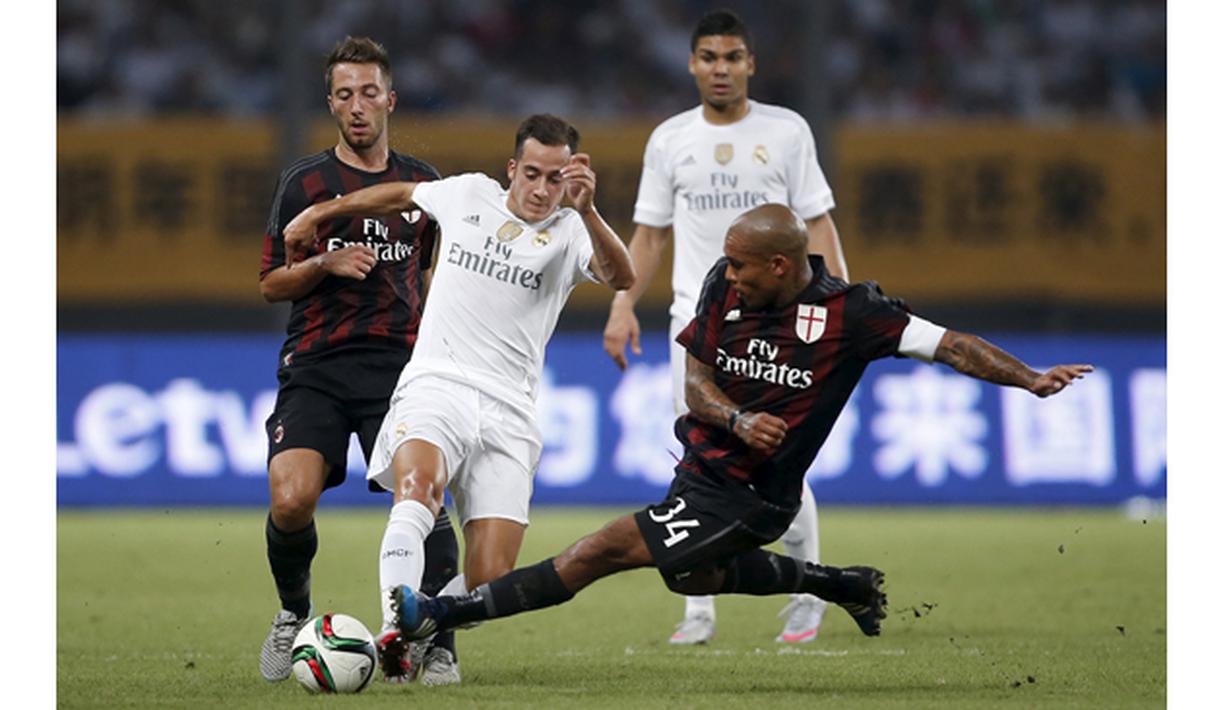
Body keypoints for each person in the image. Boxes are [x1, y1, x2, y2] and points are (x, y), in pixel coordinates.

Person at [389, 203, 1093, 650]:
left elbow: (952, 345)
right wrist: (734, 414)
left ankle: (440, 619)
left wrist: (1029, 378)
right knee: (691, 578)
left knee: (598, 550)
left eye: (740, 263)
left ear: (781, 265)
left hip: (753, 497)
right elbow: (694, 382)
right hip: (701, 467)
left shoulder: (854, 314)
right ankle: (837, 582)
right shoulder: (723, 288)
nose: (727, 273)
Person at [281, 113, 636, 684]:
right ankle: (395, 632)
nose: (543, 190)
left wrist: (589, 210)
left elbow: (622, 275)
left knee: (493, 577)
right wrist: (323, 211)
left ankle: (425, 627)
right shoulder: (468, 194)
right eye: (534, 175)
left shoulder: (571, 231)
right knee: (418, 490)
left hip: (510, 411)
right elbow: (399, 193)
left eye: (555, 179)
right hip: (437, 384)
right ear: (513, 169)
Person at [603, 9, 848, 645]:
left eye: (732, 57)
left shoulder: (787, 132)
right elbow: (651, 234)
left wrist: (837, 299)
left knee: (777, 455)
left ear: (750, 64)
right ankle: (698, 608)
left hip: (775, 322)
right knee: (694, 459)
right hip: (697, 322)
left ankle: (805, 592)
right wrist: (624, 303)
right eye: (709, 57)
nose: (721, 68)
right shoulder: (670, 139)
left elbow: (817, 223)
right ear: (692, 64)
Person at [256, 36, 463, 687]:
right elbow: (270, 282)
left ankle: (441, 645)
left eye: (368, 92)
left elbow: (439, 277)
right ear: (330, 104)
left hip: (400, 371)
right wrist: (324, 262)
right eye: (344, 94)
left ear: (390, 100)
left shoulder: (424, 187)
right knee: (290, 500)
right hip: (316, 365)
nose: (357, 105)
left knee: (423, 497)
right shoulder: (306, 184)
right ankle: (294, 612)